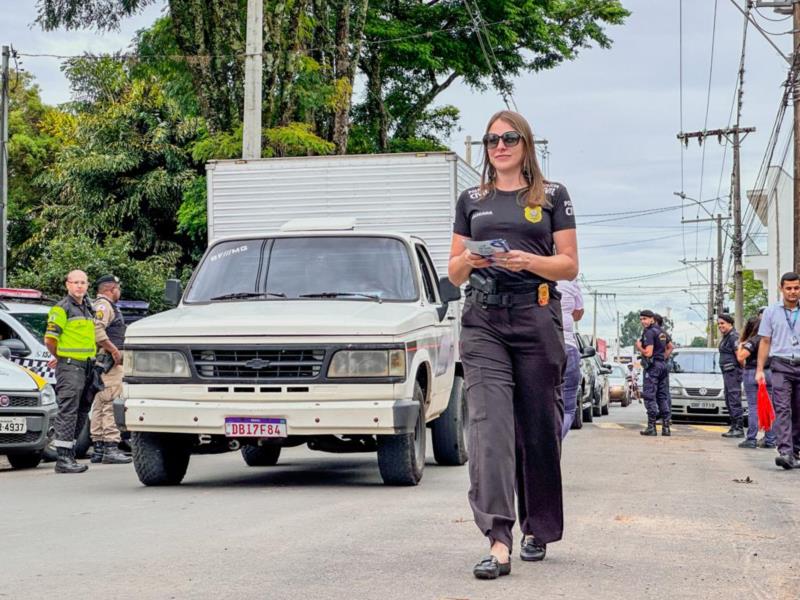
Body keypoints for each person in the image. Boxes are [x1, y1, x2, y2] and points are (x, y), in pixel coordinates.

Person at [448, 110, 578, 579]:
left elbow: (568, 265)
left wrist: (530, 261)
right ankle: (497, 540)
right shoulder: (471, 199)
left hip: (536, 316)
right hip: (482, 320)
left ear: (525, 144)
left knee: (538, 428)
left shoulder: (552, 197)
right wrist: (468, 257)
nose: (498, 146)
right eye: (490, 140)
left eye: (508, 138)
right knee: (489, 429)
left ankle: (537, 528)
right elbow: (453, 272)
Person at [44, 270, 97, 474]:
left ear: (87, 285)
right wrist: (61, 357)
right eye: (75, 282)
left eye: (83, 282)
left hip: (87, 365)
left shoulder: (88, 307)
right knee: (69, 410)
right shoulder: (62, 308)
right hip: (70, 366)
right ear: (67, 285)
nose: (79, 286)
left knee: (83, 409)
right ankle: (63, 459)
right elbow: (50, 339)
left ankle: (70, 452)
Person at [756, 272, 800, 470]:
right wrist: (759, 369)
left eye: (796, 288)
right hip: (780, 365)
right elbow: (765, 341)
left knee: (798, 410)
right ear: (781, 288)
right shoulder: (771, 312)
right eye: (789, 288)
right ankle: (785, 451)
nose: (792, 292)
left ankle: (796, 451)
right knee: (782, 408)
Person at [89, 275, 132, 465]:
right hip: (110, 362)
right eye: (118, 288)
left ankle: (98, 448)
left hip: (102, 361)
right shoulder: (104, 306)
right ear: (111, 289)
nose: (119, 292)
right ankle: (110, 447)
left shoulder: (100, 305)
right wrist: (114, 350)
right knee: (111, 402)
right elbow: (97, 330)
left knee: (100, 402)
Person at [736, 315, 777, 450]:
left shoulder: (753, 340)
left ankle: (751, 438)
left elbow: (741, 357)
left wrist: (740, 345)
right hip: (770, 373)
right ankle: (770, 439)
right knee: (768, 406)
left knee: (753, 407)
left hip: (753, 372)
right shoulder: (771, 340)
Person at [557, 278, 584, 437]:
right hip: (568, 346)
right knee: (567, 408)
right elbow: (578, 313)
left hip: (539, 346)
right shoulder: (571, 281)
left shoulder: (532, 270)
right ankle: (553, 445)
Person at [636, 309, 670, 436]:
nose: (642, 322)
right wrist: (662, 358)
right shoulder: (662, 331)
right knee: (662, 396)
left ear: (652, 319)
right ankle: (666, 428)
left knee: (650, 396)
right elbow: (670, 346)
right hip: (662, 366)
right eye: (641, 319)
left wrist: (639, 346)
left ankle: (652, 427)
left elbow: (648, 352)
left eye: (645, 319)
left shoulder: (649, 332)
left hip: (653, 367)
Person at [717, 314, 744, 438]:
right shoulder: (726, 337)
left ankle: (738, 428)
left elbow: (740, 357)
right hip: (727, 373)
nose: (720, 326)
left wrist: (742, 370)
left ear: (730, 324)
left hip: (733, 372)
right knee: (729, 399)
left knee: (734, 399)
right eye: (719, 324)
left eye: (722, 323)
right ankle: (734, 426)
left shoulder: (734, 337)